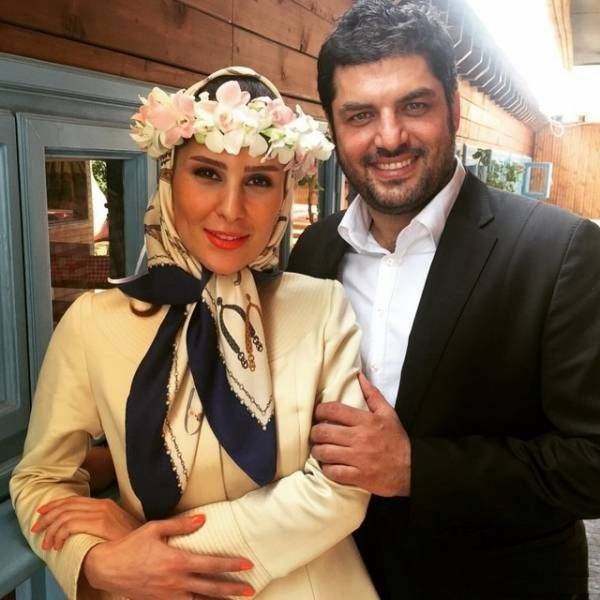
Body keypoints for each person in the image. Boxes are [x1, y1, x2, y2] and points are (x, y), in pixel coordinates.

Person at [10, 66, 378, 600]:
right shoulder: (93, 323)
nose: (230, 209)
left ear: (283, 194)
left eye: (259, 180)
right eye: (207, 173)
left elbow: (341, 488)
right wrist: (95, 561)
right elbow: (40, 478)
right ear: (168, 176)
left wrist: (152, 554)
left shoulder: (322, 308)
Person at [287, 1, 600, 598]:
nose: (389, 137)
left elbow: (593, 462)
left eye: (414, 105)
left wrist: (416, 469)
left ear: (453, 108)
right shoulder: (315, 250)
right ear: (334, 128)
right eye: (360, 115)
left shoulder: (559, 251)